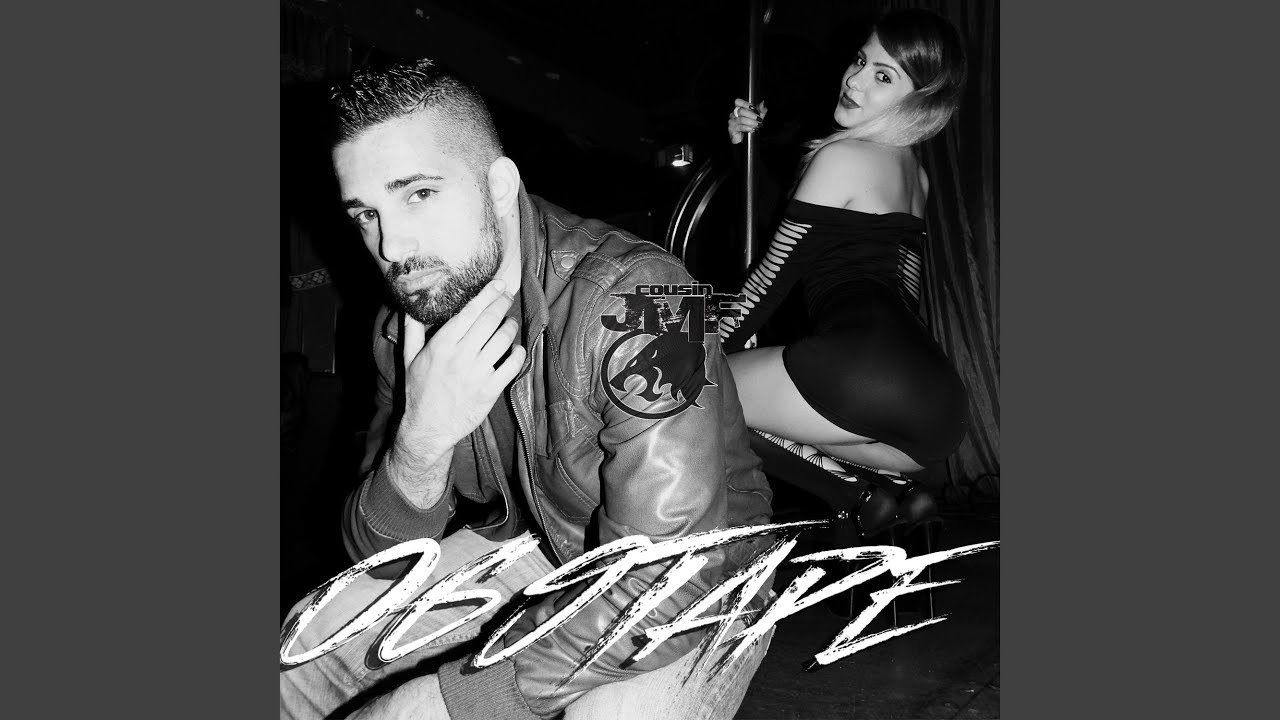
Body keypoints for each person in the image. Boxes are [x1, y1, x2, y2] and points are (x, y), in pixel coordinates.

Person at [279, 58, 776, 720]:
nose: (391, 245)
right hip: (538, 549)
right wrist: (420, 440)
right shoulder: (403, 326)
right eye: (366, 214)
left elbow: (667, 575)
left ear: (499, 185)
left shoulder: (655, 297)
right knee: (301, 652)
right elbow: (378, 560)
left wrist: (450, 699)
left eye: (419, 193)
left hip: (702, 578)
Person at [719, 8, 970, 478]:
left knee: (692, 394)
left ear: (920, 101)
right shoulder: (917, 176)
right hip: (938, 402)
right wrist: (746, 153)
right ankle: (862, 493)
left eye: (883, 76)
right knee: (777, 424)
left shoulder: (843, 156)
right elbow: (894, 286)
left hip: (861, 370)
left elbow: (766, 286)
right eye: (860, 60)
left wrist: (700, 354)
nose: (855, 80)